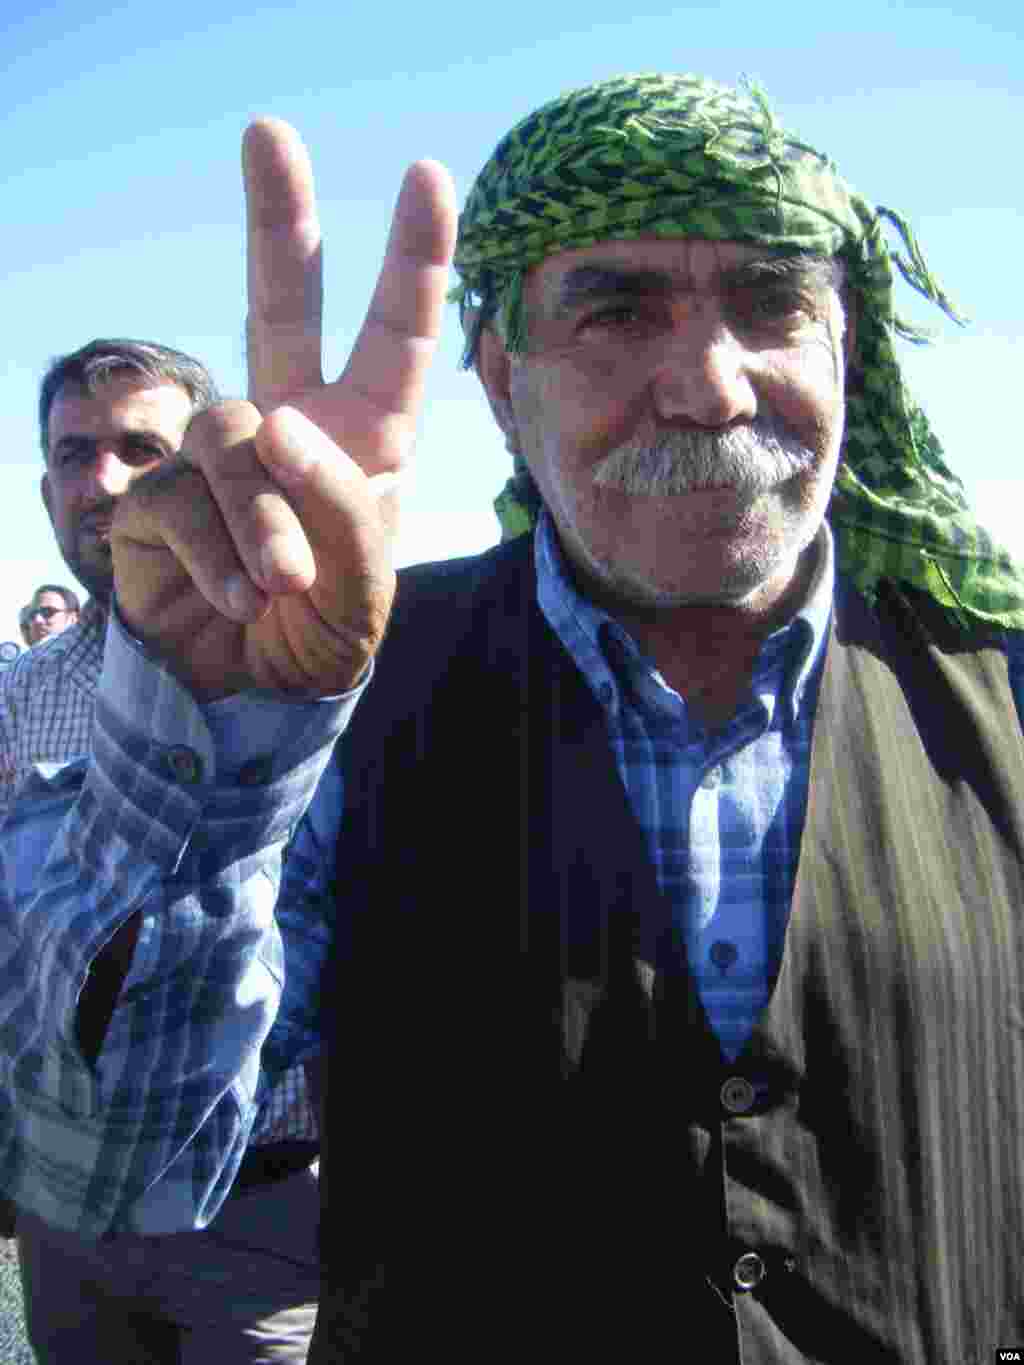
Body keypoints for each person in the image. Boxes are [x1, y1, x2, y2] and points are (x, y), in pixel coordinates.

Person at [4, 75, 1024, 1364]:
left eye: (773, 305)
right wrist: (211, 753)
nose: (708, 388)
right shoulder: (354, 690)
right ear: (499, 379)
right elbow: (111, 1170)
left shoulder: (997, 694)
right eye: (616, 313)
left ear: (847, 353)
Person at [2, 339, 327, 1364]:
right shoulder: (22, 696)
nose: (101, 484)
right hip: (65, 1222)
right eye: (72, 453)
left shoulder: (304, 679)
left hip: (262, 1213)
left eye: (142, 448)